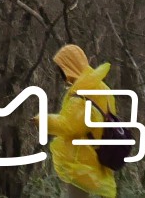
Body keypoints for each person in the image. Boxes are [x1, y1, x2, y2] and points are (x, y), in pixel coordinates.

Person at [50, 44, 126, 198]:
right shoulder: (102, 87)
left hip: (82, 160)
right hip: (103, 156)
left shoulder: (81, 93)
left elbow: (70, 126)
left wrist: (42, 121)